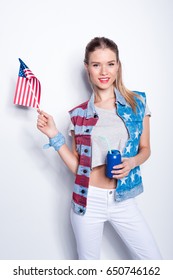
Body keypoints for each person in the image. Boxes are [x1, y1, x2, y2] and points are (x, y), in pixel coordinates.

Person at [37, 37, 162, 260]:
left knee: (154, 263)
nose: (104, 71)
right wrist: (54, 135)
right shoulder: (78, 115)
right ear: (87, 68)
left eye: (110, 64)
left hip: (123, 199)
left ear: (118, 65)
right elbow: (78, 168)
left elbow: (145, 149)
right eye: (96, 65)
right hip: (87, 199)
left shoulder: (137, 103)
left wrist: (132, 162)